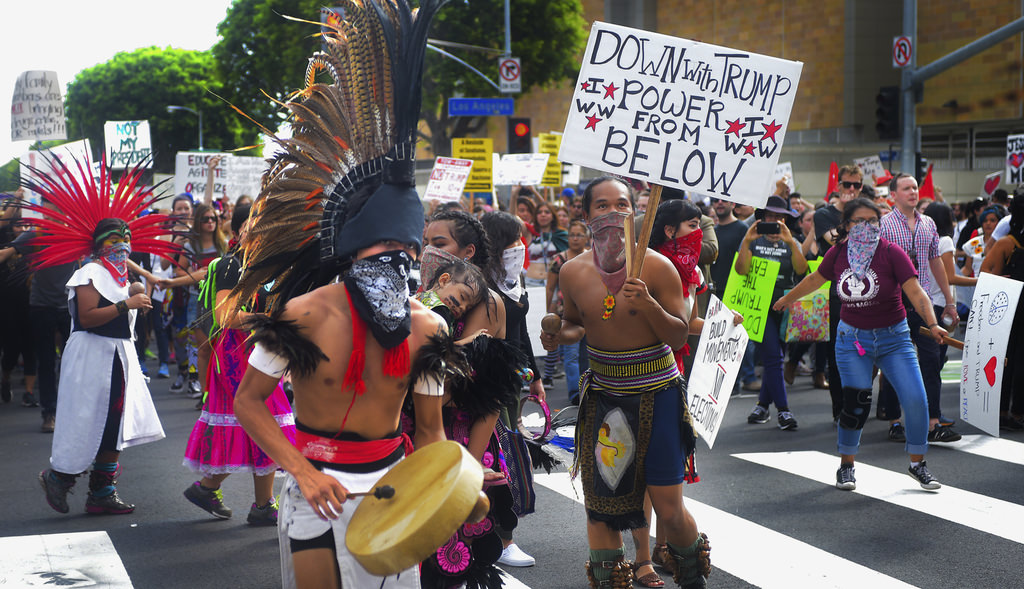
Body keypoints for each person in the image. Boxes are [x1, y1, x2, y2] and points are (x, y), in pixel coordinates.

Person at [227, 3, 460, 587]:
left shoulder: (428, 329)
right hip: (313, 490)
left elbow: (430, 431)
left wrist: (447, 494)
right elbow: (248, 403)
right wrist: (302, 473)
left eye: (404, 249)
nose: (394, 258)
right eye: (379, 244)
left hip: (392, 489)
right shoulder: (301, 315)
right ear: (351, 247)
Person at [540, 177, 710, 589]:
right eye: (601, 206)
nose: (613, 213)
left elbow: (677, 334)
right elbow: (575, 327)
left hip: (659, 393)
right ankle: (612, 578)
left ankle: (691, 572)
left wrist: (648, 303)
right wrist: (554, 334)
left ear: (635, 212)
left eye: (621, 204)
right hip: (604, 394)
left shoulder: (658, 267)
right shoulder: (573, 272)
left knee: (669, 508)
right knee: (602, 505)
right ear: (585, 215)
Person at [28, 160, 179, 515]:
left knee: (116, 421)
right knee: (86, 420)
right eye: (115, 240)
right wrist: (127, 302)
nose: (122, 246)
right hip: (92, 357)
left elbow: (128, 294)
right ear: (100, 244)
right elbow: (87, 316)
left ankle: (102, 492)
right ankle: (59, 477)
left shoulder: (120, 274)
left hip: (118, 357)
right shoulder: (90, 271)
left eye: (126, 240)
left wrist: (135, 291)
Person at [774, 197, 947, 491]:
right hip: (852, 340)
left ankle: (918, 463)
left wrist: (932, 323)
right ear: (846, 225)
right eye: (859, 221)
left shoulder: (892, 253)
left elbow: (917, 292)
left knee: (916, 399)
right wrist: (787, 299)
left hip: (895, 339)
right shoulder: (838, 253)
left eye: (872, 221)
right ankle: (846, 466)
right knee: (856, 403)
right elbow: (816, 278)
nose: (866, 227)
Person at [182, 204, 296, 524]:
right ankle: (241, 498)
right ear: (236, 232)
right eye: (252, 225)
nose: (260, 230)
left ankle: (254, 502)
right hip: (236, 354)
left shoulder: (269, 266)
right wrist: (271, 319)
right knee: (262, 420)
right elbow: (226, 316)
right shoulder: (232, 265)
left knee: (260, 422)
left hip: (261, 347)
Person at [480, 211, 545, 568]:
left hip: (512, 384)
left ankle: (500, 533)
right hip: (489, 384)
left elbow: (520, 335)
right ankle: (503, 539)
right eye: (514, 239)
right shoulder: (479, 285)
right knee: (497, 457)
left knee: (507, 457)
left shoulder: (512, 280)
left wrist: (533, 375)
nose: (521, 246)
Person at [877, 173, 961, 444]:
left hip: (923, 303)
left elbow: (935, 261)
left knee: (932, 359)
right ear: (894, 195)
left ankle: (933, 422)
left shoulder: (928, 223)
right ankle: (894, 421)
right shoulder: (884, 224)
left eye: (914, 187)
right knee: (893, 362)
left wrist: (948, 301)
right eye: (906, 188)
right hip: (893, 303)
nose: (913, 192)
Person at [737, 196, 807, 430]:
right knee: (773, 357)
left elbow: (801, 269)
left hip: (786, 306)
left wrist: (790, 241)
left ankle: (762, 406)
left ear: (786, 219)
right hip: (759, 306)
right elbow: (741, 270)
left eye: (779, 217)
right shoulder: (752, 241)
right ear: (762, 219)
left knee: (774, 359)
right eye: (770, 217)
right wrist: (746, 241)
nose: (775, 221)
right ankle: (784, 411)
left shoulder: (793, 242)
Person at [813, 164, 864, 421]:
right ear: (838, 186)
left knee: (865, 350)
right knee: (839, 351)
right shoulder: (824, 214)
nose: (852, 190)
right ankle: (840, 409)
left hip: (867, 289)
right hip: (836, 291)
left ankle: (861, 403)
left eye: (857, 185)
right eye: (847, 184)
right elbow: (836, 239)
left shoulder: (868, 212)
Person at [980, 192, 1024, 431]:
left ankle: (1009, 411)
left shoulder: (1008, 242)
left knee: (1011, 361)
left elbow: (985, 272)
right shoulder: (1008, 242)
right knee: (1010, 361)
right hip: (1011, 310)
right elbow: (985, 272)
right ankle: (1009, 412)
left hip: (1012, 308)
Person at [545, 220, 590, 404]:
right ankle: (574, 393)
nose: (575, 238)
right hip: (567, 314)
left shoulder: (593, 258)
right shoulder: (559, 260)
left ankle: (587, 390)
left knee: (587, 355)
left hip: (590, 313)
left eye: (579, 235)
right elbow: (550, 287)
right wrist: (549, 312)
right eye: (572, 235)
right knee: (571, 355)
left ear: (587, 237)